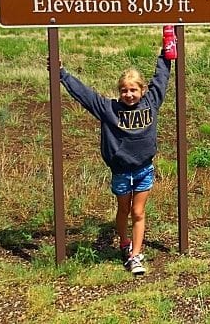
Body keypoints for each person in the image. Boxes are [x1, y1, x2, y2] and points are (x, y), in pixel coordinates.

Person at [52, 45, 171, 275]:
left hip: (144, 169)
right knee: (123, 209)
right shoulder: (109, 109)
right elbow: (86, 95)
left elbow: (162, 77)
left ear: (143, 90)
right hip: (121, 172)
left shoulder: (152, 102)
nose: (129, 94)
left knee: (138, 212)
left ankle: (136, 255)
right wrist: (62, 74)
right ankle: (124, 242)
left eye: (134, 90)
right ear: (119, 92)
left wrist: (165, 53)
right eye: (124, 90)